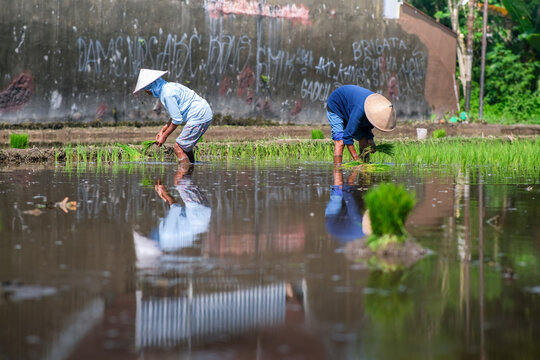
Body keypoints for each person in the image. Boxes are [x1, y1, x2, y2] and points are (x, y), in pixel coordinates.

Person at [133, 69, 213, 163]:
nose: (147, 93)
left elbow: (177, 120)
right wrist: (162, 130)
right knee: (185, 147)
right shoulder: (169, 86)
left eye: (146, 91)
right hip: (204, 112)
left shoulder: (166, 95)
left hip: (199, 116)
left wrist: (165, 136)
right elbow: (177, 114)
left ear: (150, 87)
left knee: (178, 148)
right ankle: (190, 169)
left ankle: (182, 176)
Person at [326, 85, 396, 165]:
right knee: (340, 142)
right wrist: (356, 160)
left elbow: (366, 127)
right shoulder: (360, 110)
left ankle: (365, 169)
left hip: (351, 108)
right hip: (336, 106)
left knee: (364, 141)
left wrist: (370, 139)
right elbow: (347, 137)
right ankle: (337, 171)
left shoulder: (375, 109)